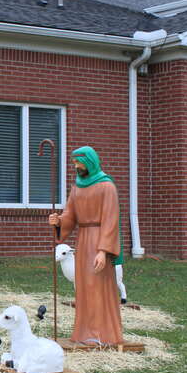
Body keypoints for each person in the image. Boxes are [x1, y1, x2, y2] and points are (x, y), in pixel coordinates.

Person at [48, 146, 123, 346]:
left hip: (99, 240)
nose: (76, 166)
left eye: (78, 162)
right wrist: (59, 222)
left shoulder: (107, 187)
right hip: (83, 241)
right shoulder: (77, 187)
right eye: (74, 162)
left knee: (97, 287)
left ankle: (102, 334)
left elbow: (110, 219)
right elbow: (70, 215)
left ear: (89, 161)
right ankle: (84, 332)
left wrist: (103, 251)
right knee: (83, 288)